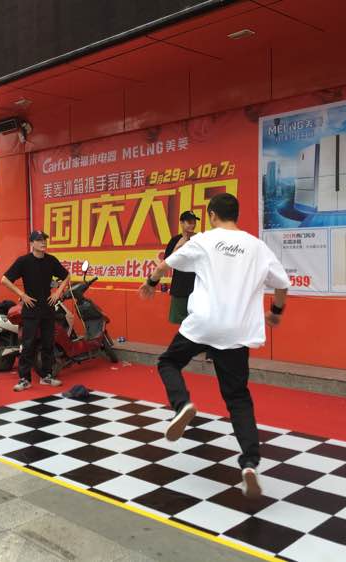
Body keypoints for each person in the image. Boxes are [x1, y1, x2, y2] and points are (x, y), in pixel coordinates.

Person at [139, 193, 289, 499]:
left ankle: (183, 404)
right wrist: (276, 313)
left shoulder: (204, 240)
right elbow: (282, 283)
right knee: (237, 397)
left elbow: (166, 265)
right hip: (237, 330)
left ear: (211, 215)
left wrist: (151, 283)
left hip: (204, 323)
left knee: (168, 362)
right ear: (237, 214)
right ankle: (249, 463)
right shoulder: (257, 247)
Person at [2, 230, 71, 391]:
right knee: (28, 345)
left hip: (48, 309)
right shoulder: (24, 261)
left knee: (48, 344)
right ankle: (24, 379)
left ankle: (46, 376)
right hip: (31, 310)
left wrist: (58, 293)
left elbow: (67, 276)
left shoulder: (51, 260)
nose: (43, 242)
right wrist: (22, 295)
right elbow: (5, 279)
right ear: (32, 243)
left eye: (44, 239)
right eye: (39, 240)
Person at [165, 211, 213, 363]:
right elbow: (168, 262)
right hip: (180, 286)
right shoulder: (175, 240)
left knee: (202, 319)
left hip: (198, 287)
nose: (192, 225)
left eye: (194, 222)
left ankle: (209, 351)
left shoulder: (200, 239)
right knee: (183, 321)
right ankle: (187, 349)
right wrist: (182, 242)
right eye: (189, 222)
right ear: (181, 223)